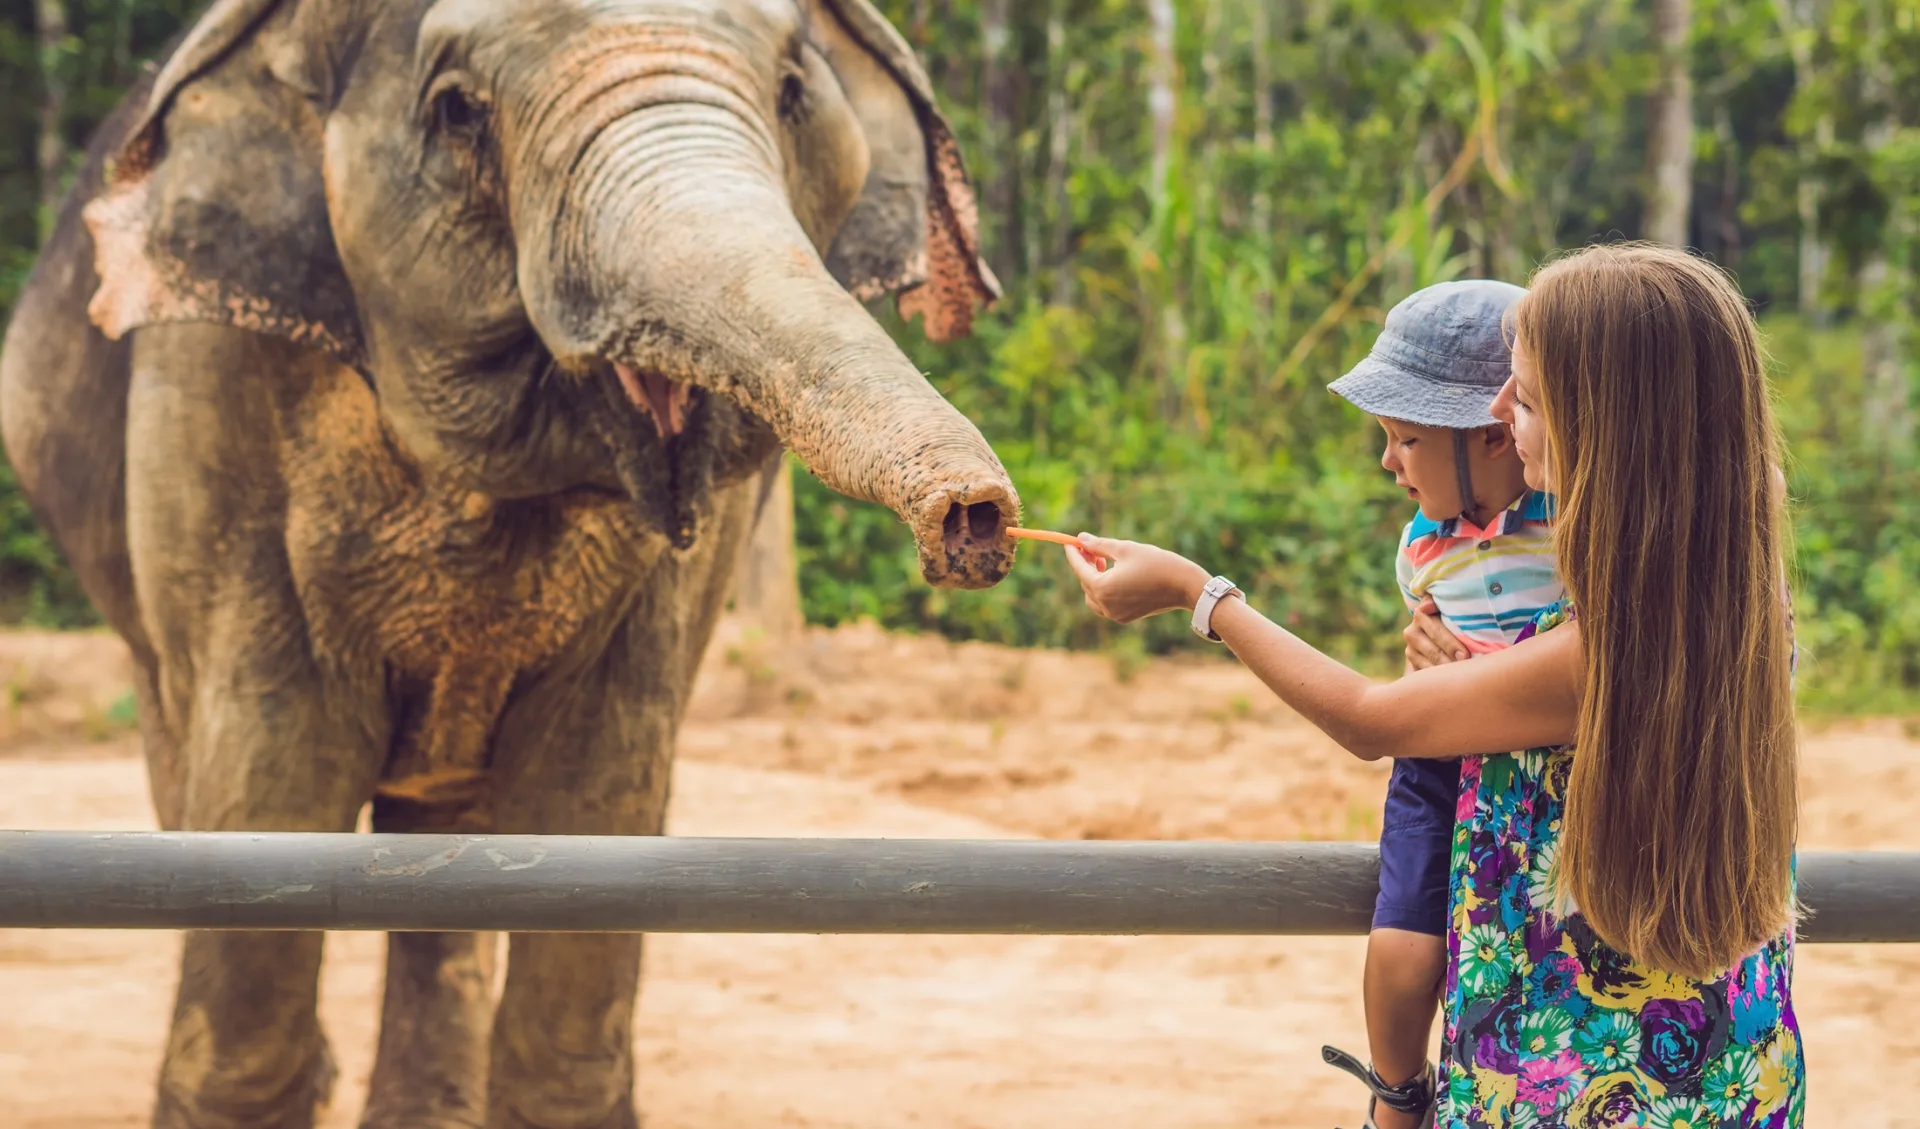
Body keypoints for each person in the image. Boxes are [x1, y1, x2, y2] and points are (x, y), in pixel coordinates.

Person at [1064, 243, 1803, 1128]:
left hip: (1569, 1075)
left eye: (1525, 397)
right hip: (1735, 1065)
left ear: (1607, 425)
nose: (1497, 409)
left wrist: (1200, 593)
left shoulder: (1612, 644)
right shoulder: (1734, 596)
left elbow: (1368, 719)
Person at [1317, 279, 1565, 1129]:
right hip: (1438, 755)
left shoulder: (1578, 522)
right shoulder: (1422, 546)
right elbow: (1431, 636)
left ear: (1499, 435)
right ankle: (1396, 1093)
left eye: (1407, 438)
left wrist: (1207, 600)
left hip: (1551, 767)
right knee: (1401, 945)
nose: (1389, 461)